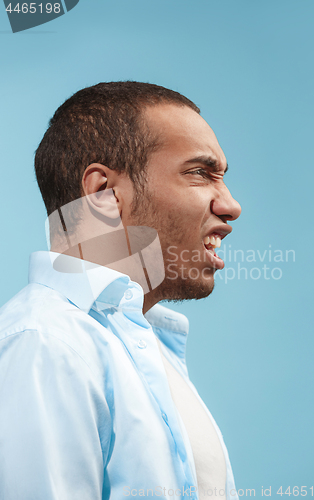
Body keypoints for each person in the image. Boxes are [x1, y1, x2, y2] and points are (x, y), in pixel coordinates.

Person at [0, 82, 241, 500]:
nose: (231, 205)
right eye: (200, 173)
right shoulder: (46, 346)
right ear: (102, 195)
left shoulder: (144, 347)